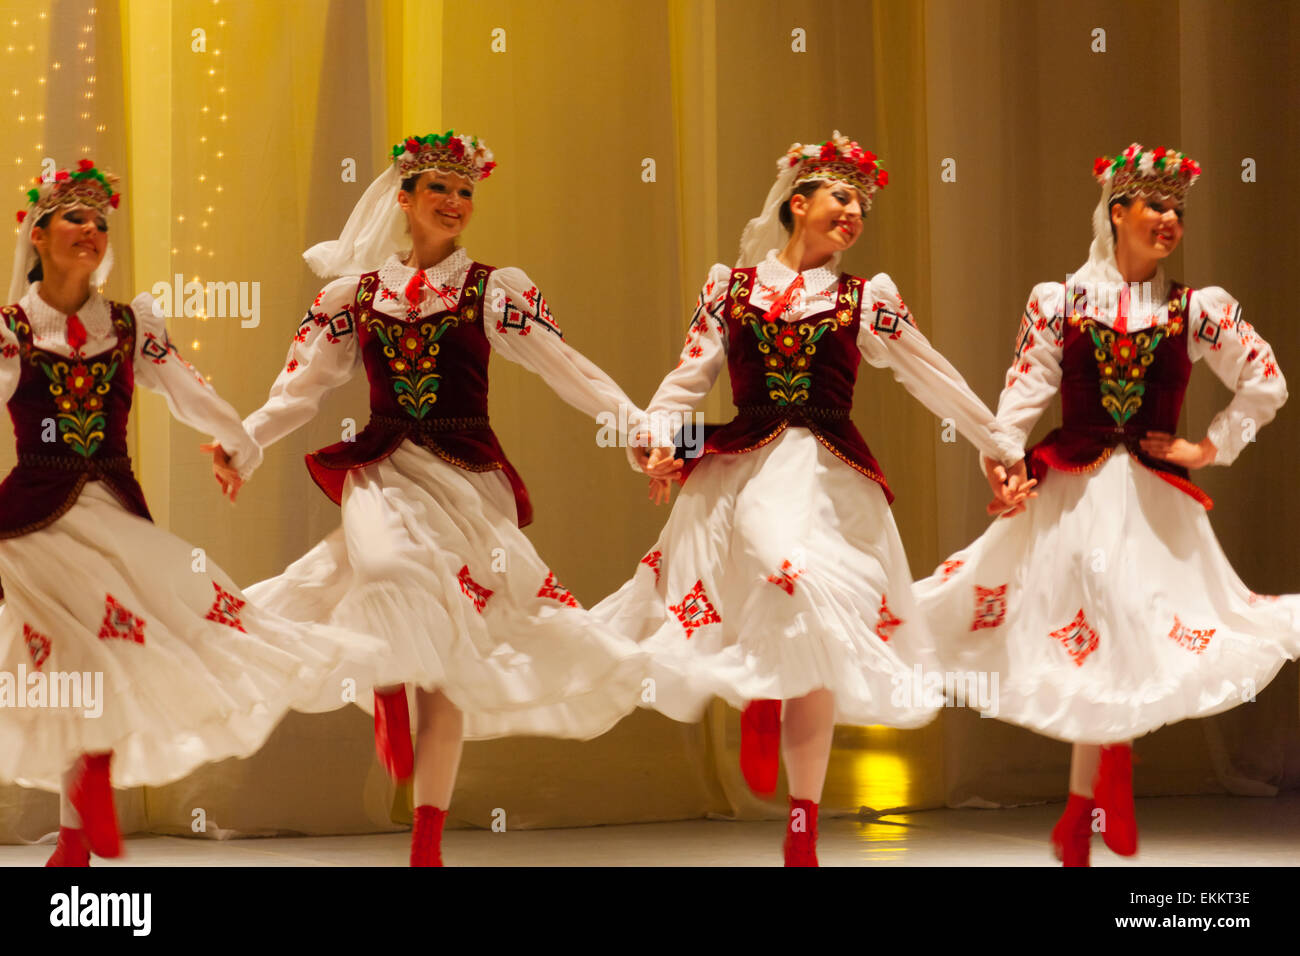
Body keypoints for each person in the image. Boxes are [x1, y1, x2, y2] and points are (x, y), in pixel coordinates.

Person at [213, 131, 649, 866]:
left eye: (465, 191)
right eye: (439, 189)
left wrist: (637, 426)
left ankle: (427, 841)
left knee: (446, 656)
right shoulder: (353, 298)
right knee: (383, 570)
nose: (454, 203)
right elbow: (299, 391)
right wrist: (243, 443)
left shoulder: (490, 290)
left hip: (468, 477)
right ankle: (387, 678)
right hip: (382, 467)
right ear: (403, 199)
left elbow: (568, 368)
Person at [594, 132, 1028, 865]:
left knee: (814, 621)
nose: (855, 213)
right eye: (842, 197)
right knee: (777, 564)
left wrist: (1000, 445)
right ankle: (765, 696)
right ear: (798, 203)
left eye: (863, 204)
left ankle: (802, 821)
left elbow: (933, 376)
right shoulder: (729, 289)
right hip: (746, 459)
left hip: (828, 471)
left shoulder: (866, 300)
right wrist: (656, 434)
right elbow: (686, 379)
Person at [914, 144, 1296, 865]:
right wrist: (1002, 465)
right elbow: (1019, 397)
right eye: (1155, 206)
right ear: (1116, 213)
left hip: (1153, 496)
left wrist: (1209, 446)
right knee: (1101, 623)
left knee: (1125, 627)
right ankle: (1097, 796)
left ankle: (1086, 807)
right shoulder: (1058, 302)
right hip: (1076, 488)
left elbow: (1266, 383)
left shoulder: (1195, 309)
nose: (1169, 221)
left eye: (1178, 211)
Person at [0, 160, 377, 866]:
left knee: (106, 649)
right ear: (38, 235)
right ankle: (89, 803)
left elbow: (188, 391)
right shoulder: (12, 330)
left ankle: (75, 840)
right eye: (74, 218)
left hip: (110, 508)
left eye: (100, 221)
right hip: (29, 520)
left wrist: (239, 441)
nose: (91, 230)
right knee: (70, 654)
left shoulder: (129, 324)